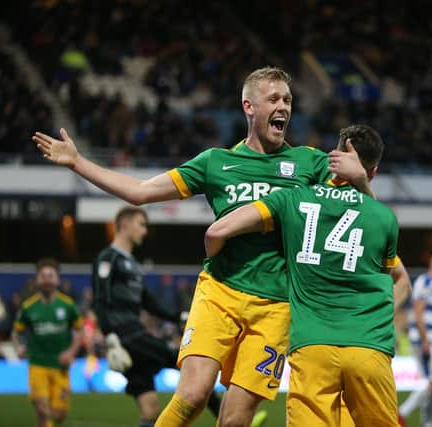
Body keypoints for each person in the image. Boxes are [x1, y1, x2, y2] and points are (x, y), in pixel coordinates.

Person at [33, 66, 371, 427]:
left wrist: (362, 179)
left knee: (234, 421)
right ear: (249, 106)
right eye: (273, 98)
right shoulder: (216, 163)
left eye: (287, 99)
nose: (283, 106)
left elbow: (364, 217)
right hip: (219, 294)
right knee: (193, 395)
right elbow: (140, 192)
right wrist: (78, 161)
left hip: (277, 308)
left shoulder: (311, 163)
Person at [204, 124, 411, 427]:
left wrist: (219, 266)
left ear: (333, 157)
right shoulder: (384, 217)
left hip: (313, 344)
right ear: (374, 170)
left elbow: (217, 230)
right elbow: (397, 275)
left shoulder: (293, 199)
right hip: (369, 346)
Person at [91, 206, 223, 427]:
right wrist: (110, 338)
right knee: (190, 366)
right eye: (141, 224)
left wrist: (178, 316)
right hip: (128, 336)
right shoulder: (108, 258)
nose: (144, 231)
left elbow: (148, 303)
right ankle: (227, 419)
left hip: (132, 339)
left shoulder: (132, 264)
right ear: (124, 225)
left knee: (150, 408)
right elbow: (100, 300)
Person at [12, 258, 84, 427]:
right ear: (37, 280)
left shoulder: (68, 305)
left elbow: (80, 330)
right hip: (37, 364)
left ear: (57, 280)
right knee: (42, 410)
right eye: (42, 276)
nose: (46, 280)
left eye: (50, 276)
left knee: (58, 415)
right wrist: (19, 346)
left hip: (61, 366)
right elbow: (16, 332)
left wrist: (71, 352)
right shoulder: (28, 307)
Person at [399, 252, 432, 427]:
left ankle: (426, 422)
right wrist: (425, 340)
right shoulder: (426, 282)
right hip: (426, 339)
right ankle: (402, 413)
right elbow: (418, 311)